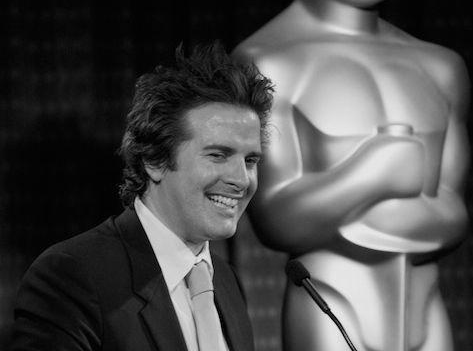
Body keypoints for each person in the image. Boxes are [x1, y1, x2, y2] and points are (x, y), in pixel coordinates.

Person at [233, 0, 471, 350]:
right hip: (329, 303)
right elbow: (276, 218)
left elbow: (454, 216)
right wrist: (375, 172)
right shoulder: (268, 63)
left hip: (428, 310)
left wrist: (339, 206)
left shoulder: (440, 67)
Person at [10, 41, 275, 351]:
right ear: (155, 161)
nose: (241, 179)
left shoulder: (227, 282)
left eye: (250, 160)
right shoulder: (72, 278)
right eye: (218, 155)